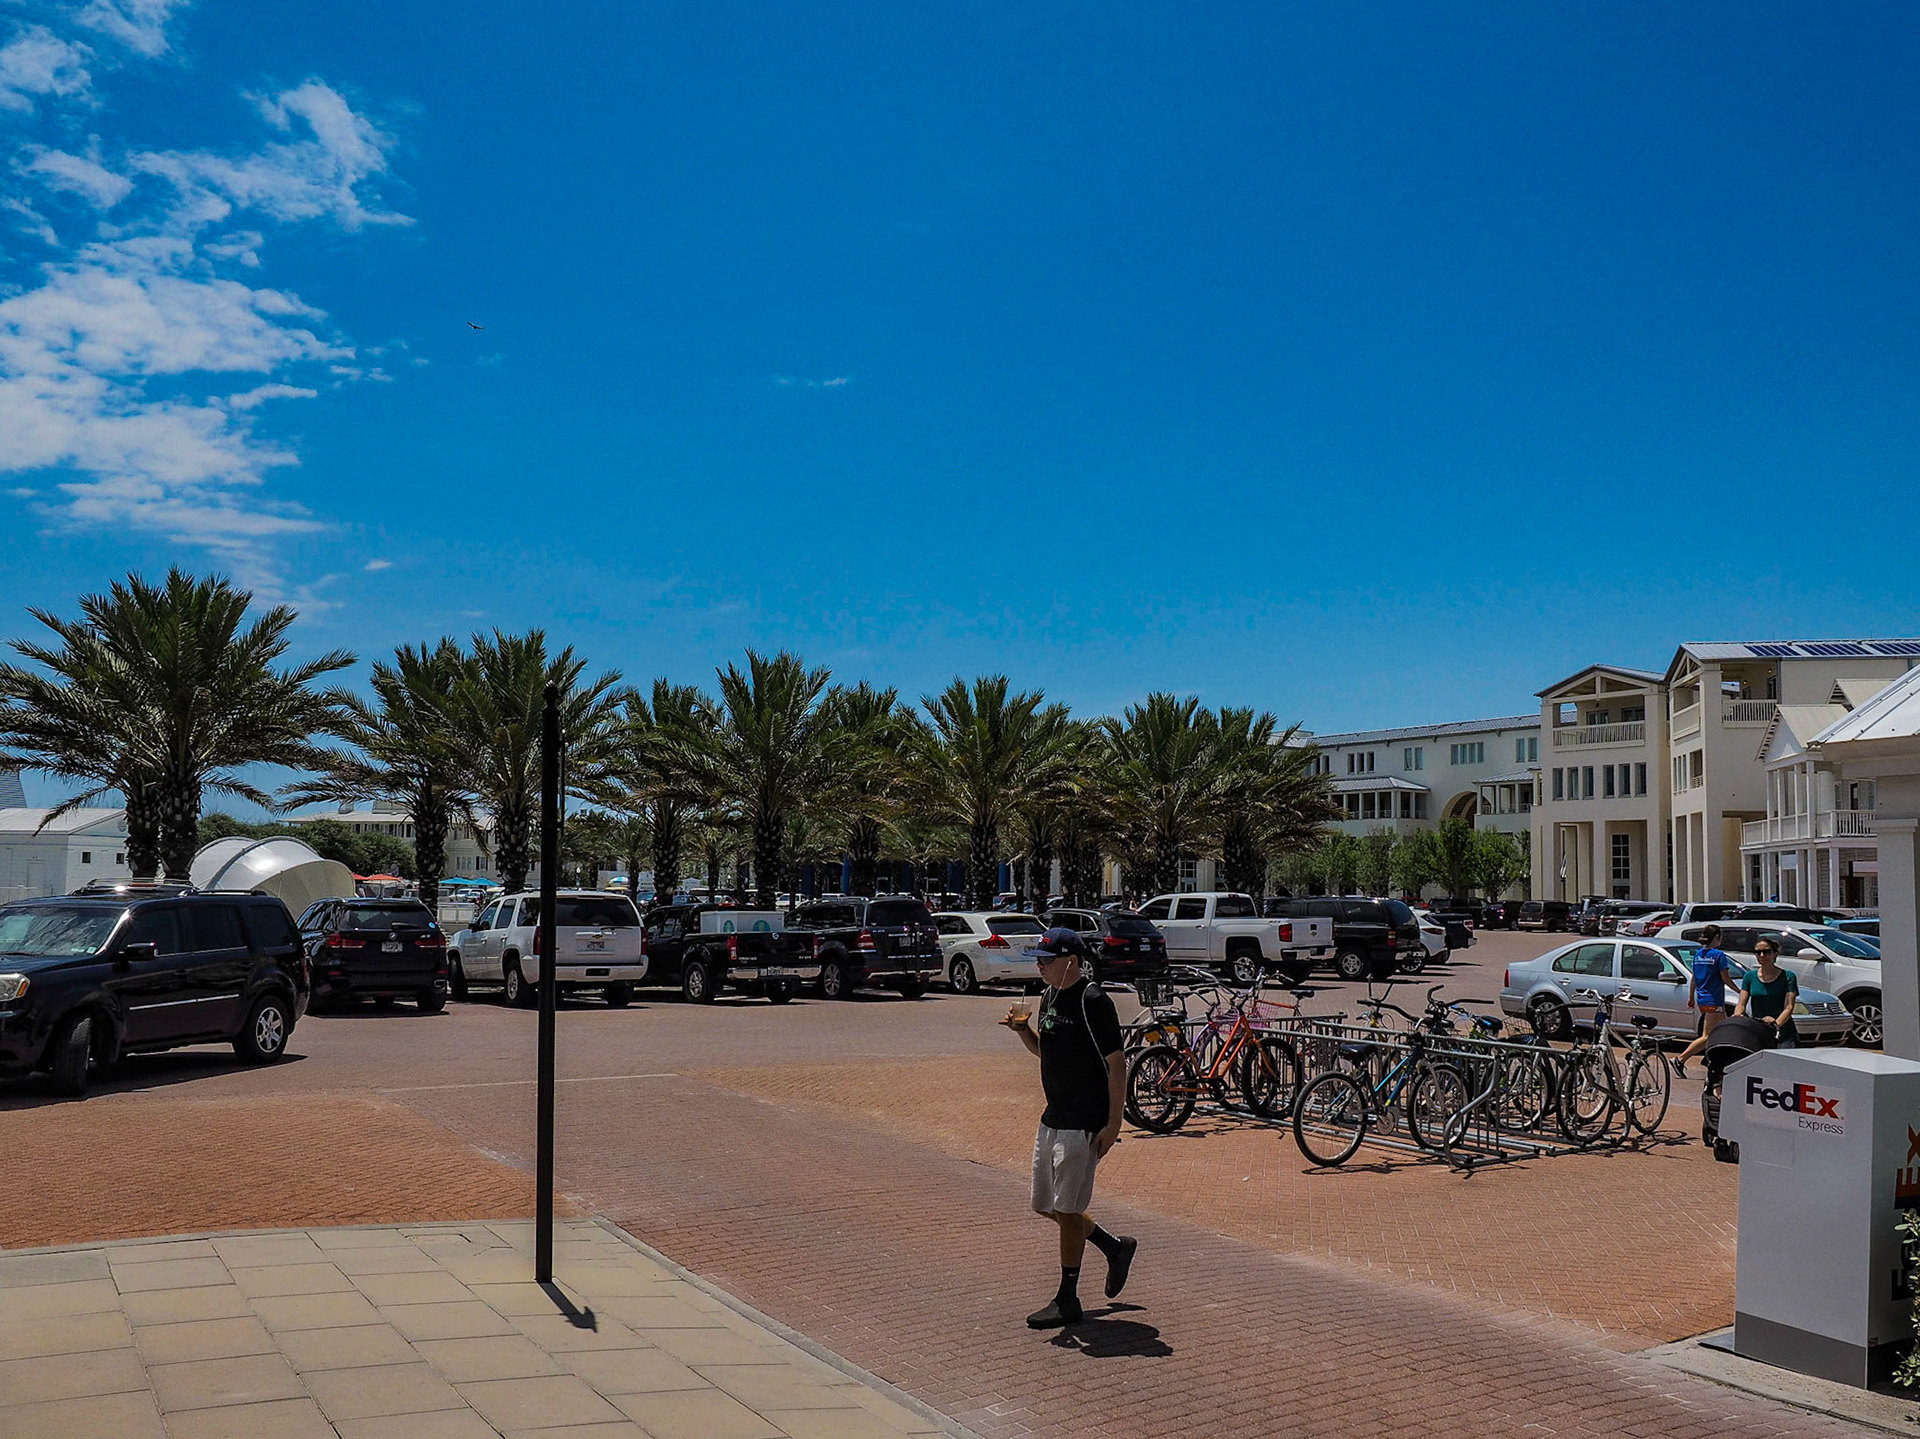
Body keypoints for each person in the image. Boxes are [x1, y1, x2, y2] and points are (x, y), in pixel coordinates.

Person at [1001, 927, 1137, 1329]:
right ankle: (1114, 1247)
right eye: (1039, 960)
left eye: (1047, 960)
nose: (1040, 966)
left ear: (1071, 962)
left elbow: (1117, 1063)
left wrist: (1113, 1123)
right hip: (1053, 1117)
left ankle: (1068, 1298)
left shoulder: (1094, 1001)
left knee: (1067, 1208)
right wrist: (1024, 1031)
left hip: (1083, 1122)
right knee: (1047, 1206)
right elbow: (1049, 1050)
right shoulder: (1049, 996)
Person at [1673, 925, 1737, 1078]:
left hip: (1703, 998)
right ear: (1716, 937)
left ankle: (1709, 1058)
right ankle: (1680, 1059)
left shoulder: (1699, 954)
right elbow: (1725, 978)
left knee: (1723, 1030)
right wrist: (1740, 992)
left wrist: (1691, 996)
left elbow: (1694, 977)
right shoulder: (1718, 955)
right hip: (1713, 999)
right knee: (1707, 1035)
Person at [1736, 937, 1800, 1047]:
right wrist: (1738, 1016)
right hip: (1758, 1029)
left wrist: (1775, 1025)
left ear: (1775, 953)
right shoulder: (1749, 977)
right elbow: (1741, 1004)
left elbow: (1789, 1007)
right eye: (1758, 952)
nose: (1762, 955)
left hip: (1783, 1031)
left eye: (1766, 952)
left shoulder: (1788, 976)